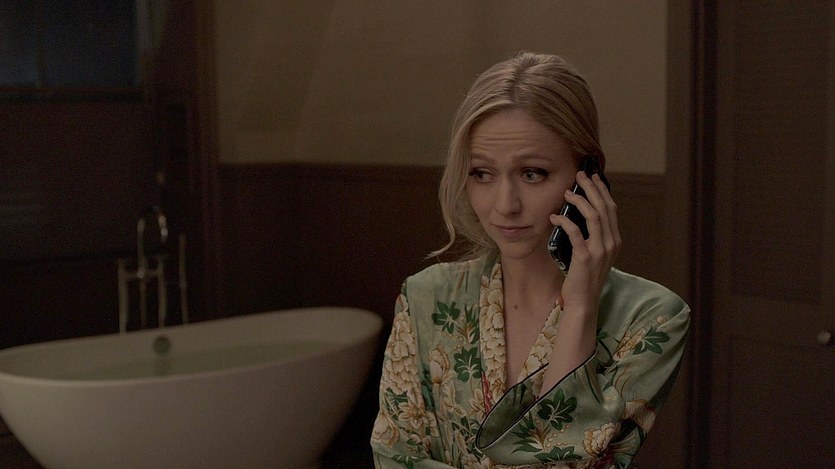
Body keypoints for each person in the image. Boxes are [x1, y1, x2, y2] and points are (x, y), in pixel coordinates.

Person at [370, 52, 690, 468]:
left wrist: (580, 307)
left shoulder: (651, 320)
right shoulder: (425, 298)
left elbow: (566, 462)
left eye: (532, 173)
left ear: (589, 173)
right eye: (482, 173)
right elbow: (394, 457)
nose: (505, 205)